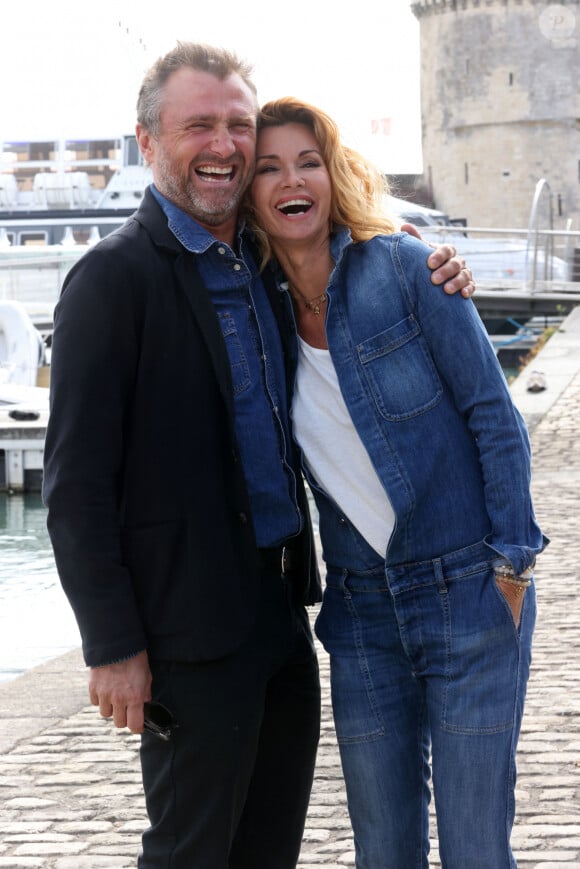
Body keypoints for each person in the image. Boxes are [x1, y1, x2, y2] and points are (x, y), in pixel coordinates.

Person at [42, 43, 475, 869]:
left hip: (282, 614)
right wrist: (111, 644)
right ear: (146, 141)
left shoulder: (263, 261)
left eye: (238, 124)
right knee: (191, 851)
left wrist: (426, 258)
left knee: (267, 848)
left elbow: (344, 251)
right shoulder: (111, 280)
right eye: (198, 123)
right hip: (188, 629)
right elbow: (76, 484)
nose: (225, 144)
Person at [247, 97, 548, 869]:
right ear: (250, 192)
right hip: (362, 613)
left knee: (477, 847)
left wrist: (511, 564)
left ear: (332, 170)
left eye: (308, 160)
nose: (293, 179)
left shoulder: (407, 269)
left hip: (469, 594)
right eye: (270, 166)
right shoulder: (257, 316)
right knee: (384, 851)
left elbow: (493, 415)